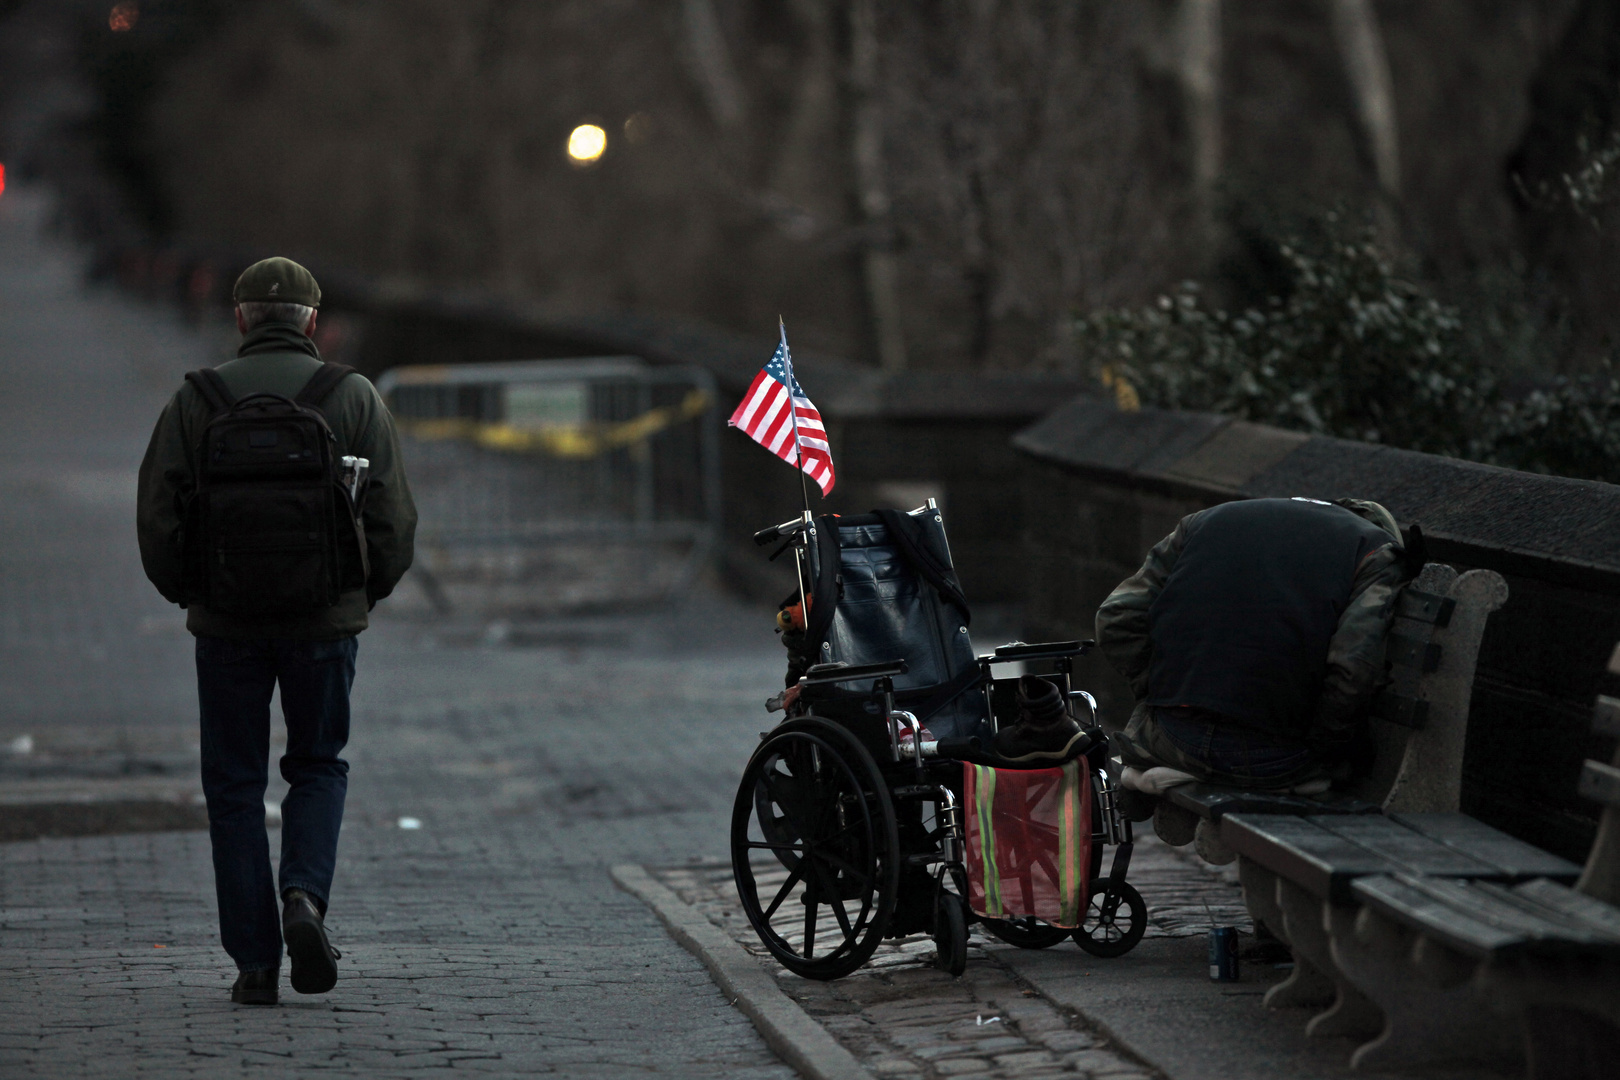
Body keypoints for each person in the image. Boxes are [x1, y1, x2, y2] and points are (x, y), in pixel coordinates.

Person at [137, 257, 416, 1005]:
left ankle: (255, 962)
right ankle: (305, 898)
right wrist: (362, 593)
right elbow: (393, 520)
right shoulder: (352, 396)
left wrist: (191, 593)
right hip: (323, 621)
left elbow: (158, 517)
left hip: (225, 624)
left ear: (239, 319)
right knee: (318, 764)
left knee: (232, 785)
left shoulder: (198, 400)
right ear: (312, 322)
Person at [1094, 497, 1412, 829]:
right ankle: (1270, 781)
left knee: (1152, 718)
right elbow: (1354, 669)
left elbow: (1116, 618)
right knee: (1342, 767)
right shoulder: (1377, 550)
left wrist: (1157, 691)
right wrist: (1322, 743)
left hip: (1176, 736)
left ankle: (1157, 774)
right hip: (1273, 756)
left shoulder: (1204, 521)